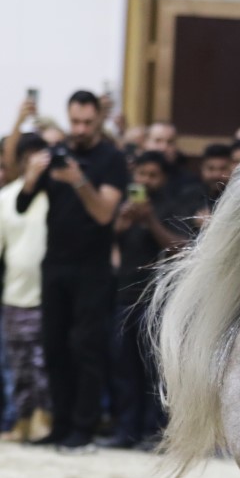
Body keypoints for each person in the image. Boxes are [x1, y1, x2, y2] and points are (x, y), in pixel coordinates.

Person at [16, 89, 128, 451]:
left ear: (98, 120)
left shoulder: (111, 159)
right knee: (54, 346)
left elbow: (103, 214)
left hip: (92, 268)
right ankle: (60, 424)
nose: (79, 129)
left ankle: (84, 426)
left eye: (86, 122)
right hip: (55, 264)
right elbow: (21, 203)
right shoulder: (56, 153)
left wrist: (79, 181)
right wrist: (32, 177)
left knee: (86, 347)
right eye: (74, 121)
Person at [101, 151, 190, 449]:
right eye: (141, 174)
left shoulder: (173, 205)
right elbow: (104, 246)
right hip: (124, 298)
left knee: (156, 374)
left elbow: (182, 247)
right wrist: (121, 226)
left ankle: (156, 434)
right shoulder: (124, 209)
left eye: (152, 175)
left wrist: (151, 220)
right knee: (123, 371)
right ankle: (126, 432)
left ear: (163, 178)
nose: (145, 181)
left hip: (158, 302)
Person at [0, 134, 51, 442]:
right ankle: (21, 418)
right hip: (14, 294)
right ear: (19, 161)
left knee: (43, 363)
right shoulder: (6, 197)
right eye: (27, 157)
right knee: (19, 363)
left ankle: (44, 417)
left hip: (47, 294)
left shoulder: (55, 195)